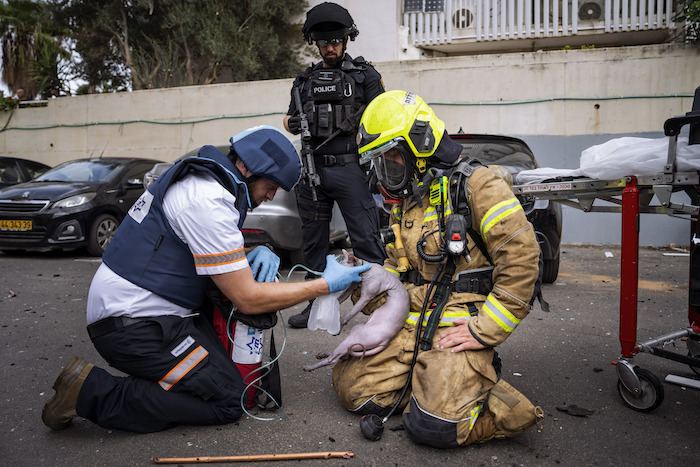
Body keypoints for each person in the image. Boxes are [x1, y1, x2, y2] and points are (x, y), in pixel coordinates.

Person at [41, 125, 370, 433]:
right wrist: (326, 284)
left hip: (149, 312)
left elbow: (200, 243)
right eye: (271, 187)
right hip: (132, 325)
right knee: (229, 400)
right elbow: (248, 298)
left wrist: (255, 248)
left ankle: (170, 380)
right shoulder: (206, 199)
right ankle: (89, 392)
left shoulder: (205, 185)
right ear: (249, 170)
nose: (271, 196)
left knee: (224, 378)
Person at [330, 91, 545, 448]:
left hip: (461, 324)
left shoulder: (479, 186)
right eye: (380, 162)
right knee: (353, 390)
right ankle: (437, 382)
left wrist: (483, 330)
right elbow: (395, 269)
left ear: (420, 146)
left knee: (434, 427)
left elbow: (522, 261)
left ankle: (499, 402)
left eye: (391, 158)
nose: (386, 171)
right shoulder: (407, 202)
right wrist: (361, 279)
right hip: (415, 320)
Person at [284, 2, 387, 328]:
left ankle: (381, 300)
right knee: (312, 243)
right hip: (313, 170)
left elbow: (382, 117)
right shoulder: (304, 81)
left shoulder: (365, 75)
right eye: (324, 42)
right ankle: (314, 306)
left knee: (366, 238)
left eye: (335, 41)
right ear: (316, 42)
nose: (330, 47)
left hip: (349, 168)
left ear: (346, 39)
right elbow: (288, 119)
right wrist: (298, 122)